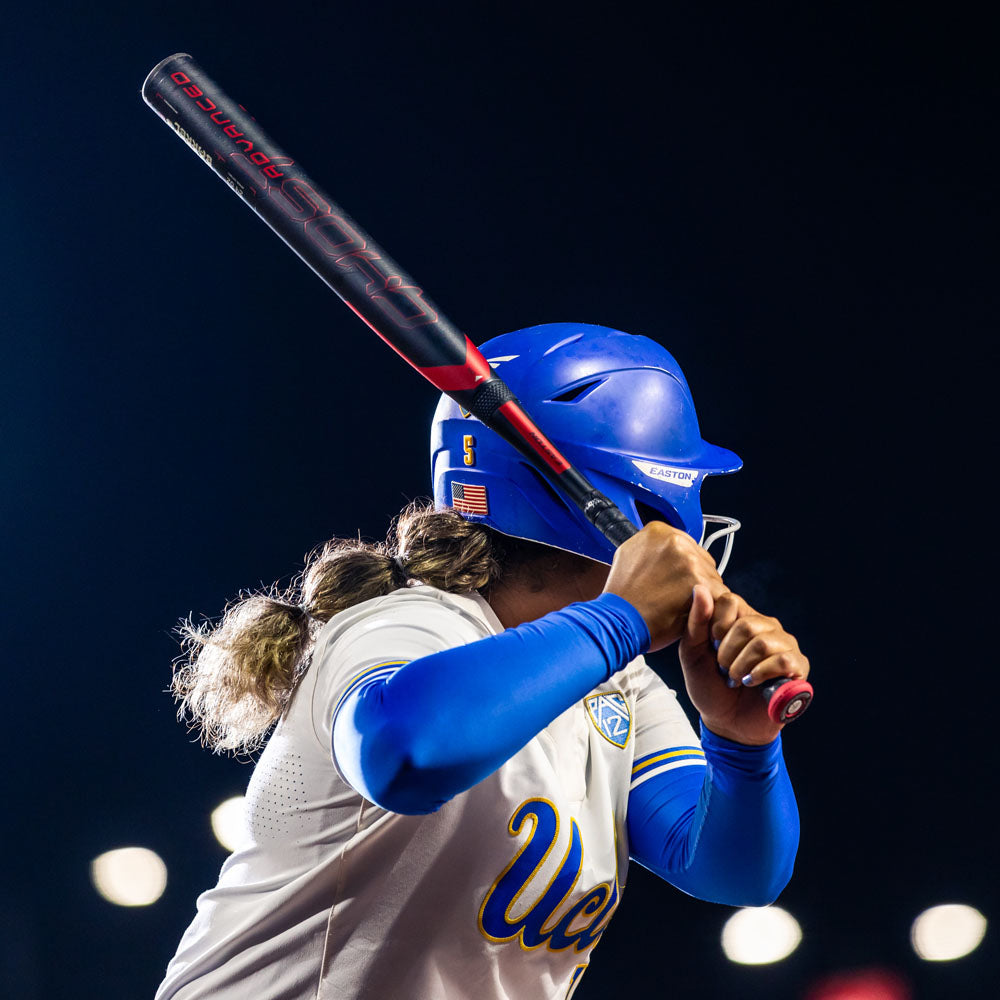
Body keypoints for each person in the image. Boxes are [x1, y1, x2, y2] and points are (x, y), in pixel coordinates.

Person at [154, 323, 809, 1000]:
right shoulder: (410, 621)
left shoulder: (617, 678)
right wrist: (624, 617)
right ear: (645, 503)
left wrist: (742, 744)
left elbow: (734, 871)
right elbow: (404, 756)